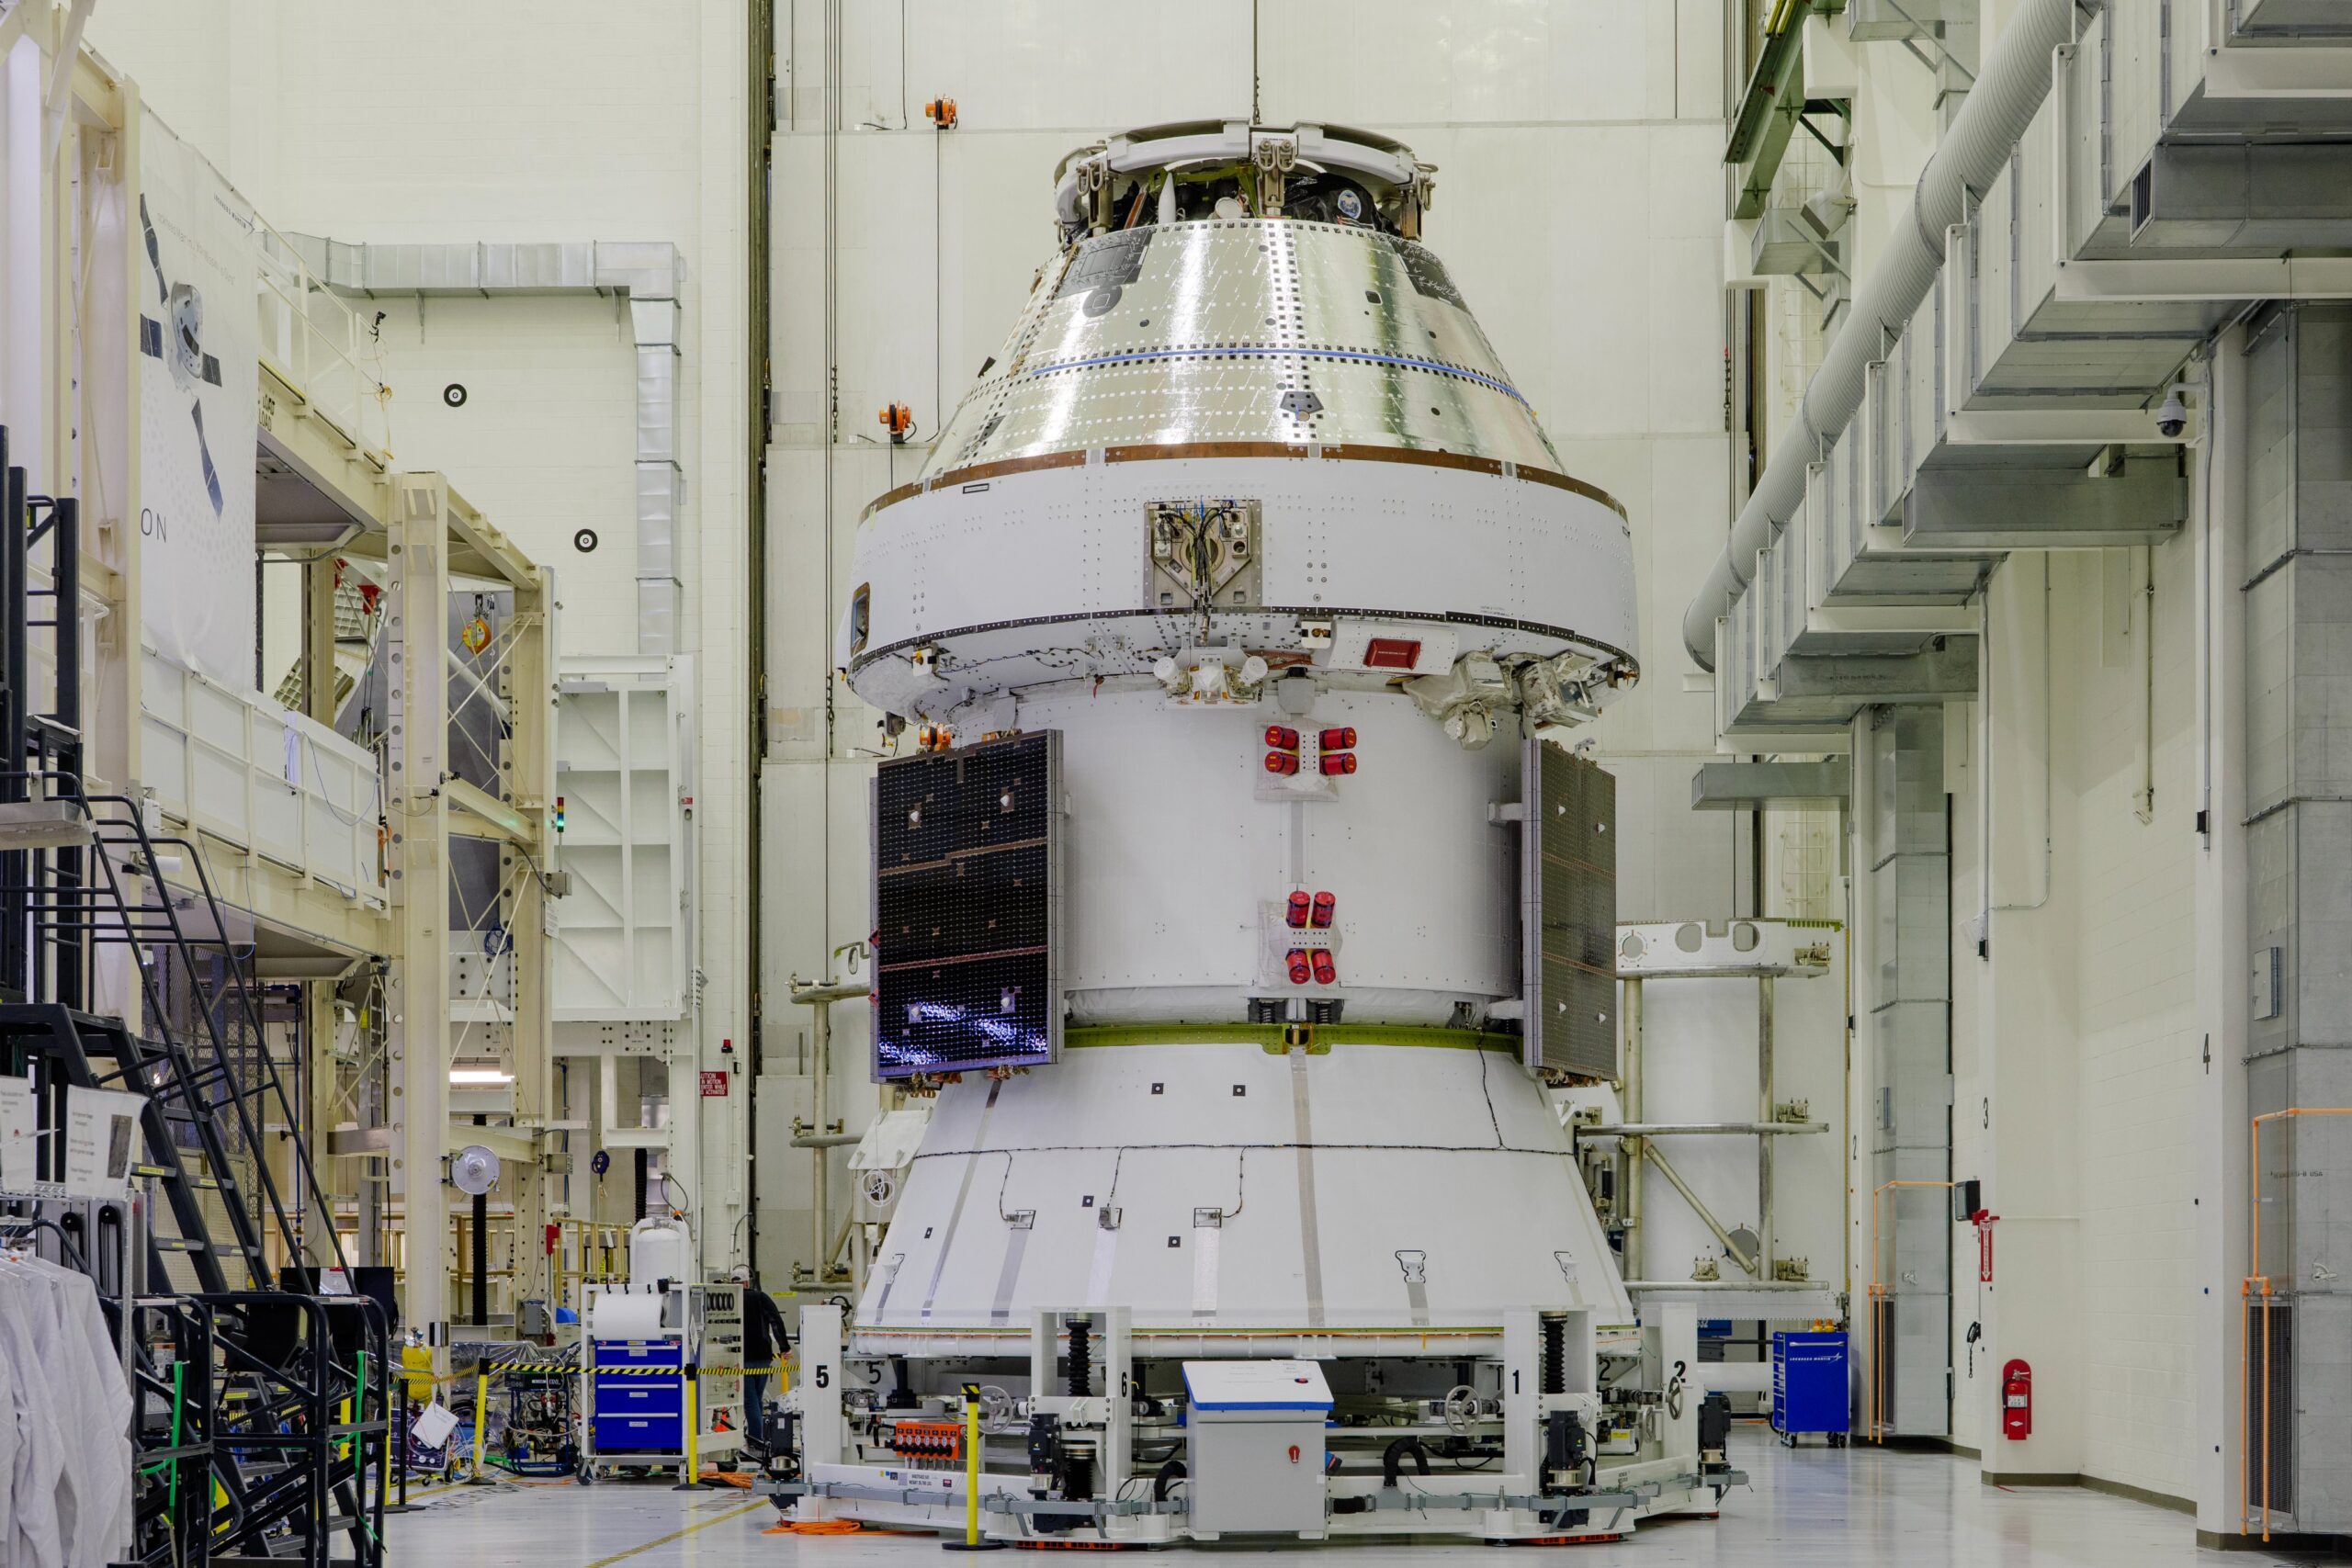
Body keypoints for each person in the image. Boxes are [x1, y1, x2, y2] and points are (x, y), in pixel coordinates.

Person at [741, 1273, 791, 1450]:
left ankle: (756, 1438)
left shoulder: (731, 1299)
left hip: (742, 1358)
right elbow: (776, 1321)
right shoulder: (761, 1297)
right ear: (747, 1282)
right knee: (756, 1398)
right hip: (763, 1356)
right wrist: (784, 1347)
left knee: (750, 1400)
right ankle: (758, 1435)